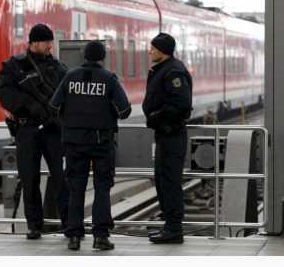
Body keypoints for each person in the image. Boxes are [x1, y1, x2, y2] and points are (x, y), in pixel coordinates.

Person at [49, 40, 131, 251]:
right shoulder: (109, 79)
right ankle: (100, 237)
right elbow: (124, 111)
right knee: (103, 188)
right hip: (101, 142)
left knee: (76, 188)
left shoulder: (70, 77)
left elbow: (53, 106)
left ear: (84, 57)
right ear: (103, 59)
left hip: (73, 142)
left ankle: (74, 236)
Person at [0, 23, 69, 240]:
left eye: (51, 41)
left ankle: (69, 224)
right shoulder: (13, 66)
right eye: (46, 41)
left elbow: (67, 95)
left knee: (62, 177)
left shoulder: (59, 68)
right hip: (27, 128)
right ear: (34, 42)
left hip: (53, 129)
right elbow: (4, 92)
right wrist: (29, 105)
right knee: (29, 178)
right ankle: (34, 225)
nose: (50, 45)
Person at [142, 32, 193, 244]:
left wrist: (157, 116)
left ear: (162, 51)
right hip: (164, 134)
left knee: (170, 182)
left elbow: (182, 102)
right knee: (163, 180)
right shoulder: (164, 69)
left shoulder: (173, 71)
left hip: (172, 133)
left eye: (153, 48)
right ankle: (169, 226)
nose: (149, 51)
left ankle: (174, 228)